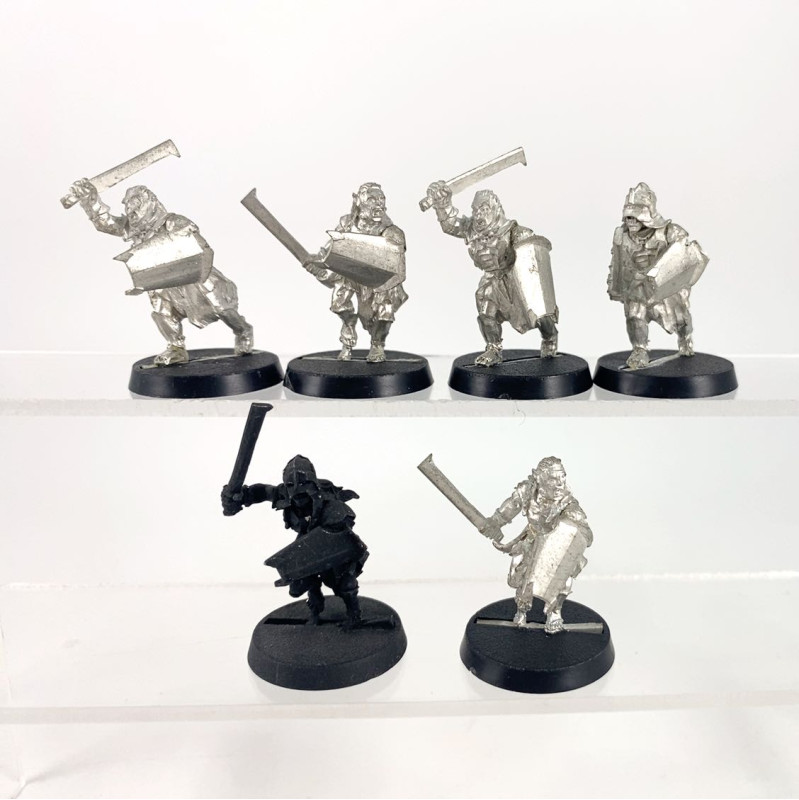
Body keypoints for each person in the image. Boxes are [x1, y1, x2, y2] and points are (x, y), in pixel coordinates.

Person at [71, 178, 254, 365]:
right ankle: (176, 348)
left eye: (136, 208)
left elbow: (197, 246)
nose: (132, 214)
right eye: (129, 209)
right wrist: (89, 199)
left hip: (193, 278)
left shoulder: (173, 221)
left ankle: (243, 331)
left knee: (220, 307)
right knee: (163, 313)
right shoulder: (132, 227)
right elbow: (106, 223)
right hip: (160, 281)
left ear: (149, 204)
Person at [221, 455, 368, 627]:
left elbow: (344, 537)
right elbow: (263, 492)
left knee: (344, 581)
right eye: (291, 486)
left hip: (332, 544)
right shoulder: (284, 493)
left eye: (303, 486)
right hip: (306, 542)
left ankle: (354, 615)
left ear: (313, 484)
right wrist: (241, 496)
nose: (297, 493)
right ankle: (315, 607)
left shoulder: (330, 502)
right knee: (301, 580)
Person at [425, 181, 558, 366]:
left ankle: (550, 337)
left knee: (538, 315)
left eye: (484, 209)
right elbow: (451, 224)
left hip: (514, 279)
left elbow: (531, 258)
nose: (479, 214)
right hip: (491, 279)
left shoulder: (514, 232)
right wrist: (442, 204)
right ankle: (493, 349)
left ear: (496, 209)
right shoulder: (472, 229)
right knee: (486, 313)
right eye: (476, 210)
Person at [481, 457, 592, 632]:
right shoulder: (528, 491)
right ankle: (522, 610)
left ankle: (554, 612)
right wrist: (494, 523)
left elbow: (584, 534)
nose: (560, 483)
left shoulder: (568, 504)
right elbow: (509, 508)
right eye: (554, 479)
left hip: (556, 548)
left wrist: (568, 530)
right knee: (522, 576)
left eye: (562, 477)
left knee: (563, 580)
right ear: (540, 478)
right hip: (531, 539)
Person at [304, 182, 407, 363]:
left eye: (381, 198)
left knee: (385, 312)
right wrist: (318, 262)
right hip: (349, 275)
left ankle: (377, 344)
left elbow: (396, 267)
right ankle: (348, 329)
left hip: (380, 281)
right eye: (372, 199)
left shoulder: (391, 232)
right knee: (339, 303)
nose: (378, 203)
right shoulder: (347, 224)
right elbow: (332, 248)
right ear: (358, 200)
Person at [607, 182, 696, 369]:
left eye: (635, 216)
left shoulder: (670, 232)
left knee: (680, 318)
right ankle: (639, 350)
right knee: (634, 315)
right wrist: (617, 286)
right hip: (637, 285)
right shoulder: (621, 235)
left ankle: (685, 339)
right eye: (628, 216)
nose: (630, 221)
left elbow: (685, 254)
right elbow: (617, 263)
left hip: (665, 288)